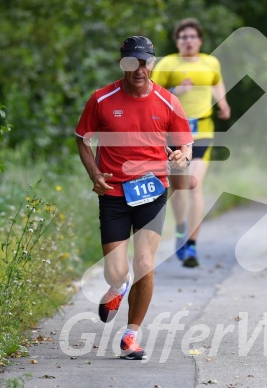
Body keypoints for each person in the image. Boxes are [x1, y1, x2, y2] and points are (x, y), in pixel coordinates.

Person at [75, 36, 193, 360]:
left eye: (144, 62)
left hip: (151, 191)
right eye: (132, 62)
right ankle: (116, 288)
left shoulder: (168, 101)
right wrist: (94, 175)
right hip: (113, 192)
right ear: (122, 63)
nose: (138, 69)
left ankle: (131, 335)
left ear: (152, 63)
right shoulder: (101, 99)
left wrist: (182, 158)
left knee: (143, 264)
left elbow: (185, 145)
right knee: (116, 271)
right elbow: (82, 139)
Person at [151, 17, 231, 268]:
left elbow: (216, 81)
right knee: (180, 186)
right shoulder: (168, 64)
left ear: (200, 40)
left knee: (195, 185)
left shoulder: (210, 62)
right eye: (183, 37)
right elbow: (151, 94)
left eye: (192, 37)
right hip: (174, 133)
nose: (188, 41)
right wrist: (175, 91)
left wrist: (223, 102)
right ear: (177, 41)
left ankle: (192, 244)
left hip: (203, 130)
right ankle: (181, 227)